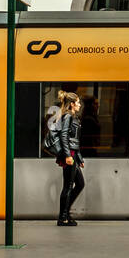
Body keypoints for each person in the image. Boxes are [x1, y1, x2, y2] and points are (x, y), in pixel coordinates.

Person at [51, 90, 85, 226]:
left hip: (73, 154)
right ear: (71, 104)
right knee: (68, 186)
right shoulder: (67, 117)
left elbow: (74, 140)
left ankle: (65, 212)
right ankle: (63, 217)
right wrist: (67, 156)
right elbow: (64, 136)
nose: (79, 105)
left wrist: (80, 158)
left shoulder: (72, 117)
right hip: (69, 155)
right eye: (77, 103)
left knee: (80, 184)